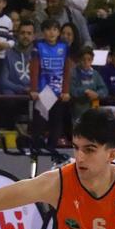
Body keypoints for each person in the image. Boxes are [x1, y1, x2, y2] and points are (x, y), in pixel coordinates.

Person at [30, 18, 71, 152]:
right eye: (48, 29)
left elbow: (66, 70)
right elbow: (35, 69)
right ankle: (36, 149)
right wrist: (34, 89)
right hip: (44, 90)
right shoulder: (38, 46)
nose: (51, 33)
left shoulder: (64, 47)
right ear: (43, 32)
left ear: (58, 32)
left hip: (58, 90)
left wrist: (65, 90)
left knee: (56, 121)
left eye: (54, 29)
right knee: (39, 122)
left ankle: (51, 149)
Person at [70, 46, 108, 124]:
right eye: (83, 59)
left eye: (89, 59)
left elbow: (104, 90)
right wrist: (85, 91)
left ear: (92, 60)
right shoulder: (73, 73)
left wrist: (97, 94)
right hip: (78, 109)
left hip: (94, 106)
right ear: (79, 60)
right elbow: (72, 91)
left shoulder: (95, 74)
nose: (86, 62)